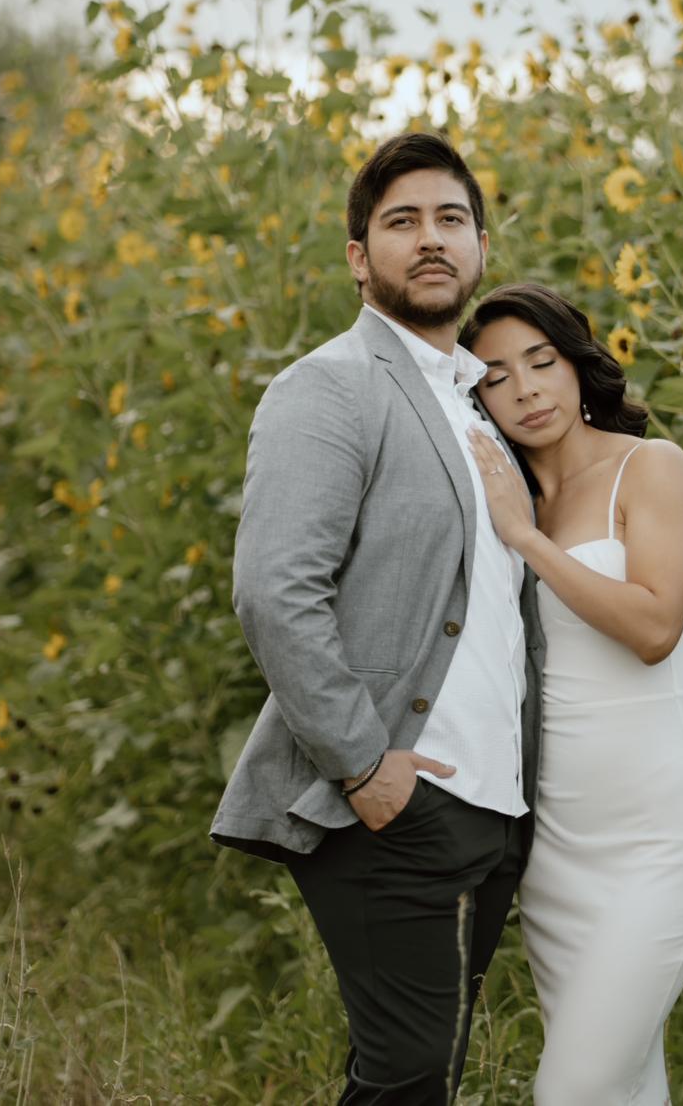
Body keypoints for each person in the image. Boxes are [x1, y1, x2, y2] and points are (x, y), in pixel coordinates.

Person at [210, 131, 546, 1104]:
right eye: (403, 222)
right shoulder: (329, 386)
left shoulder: (482, 407)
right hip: (391, 801)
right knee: (408, 1075)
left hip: (494, 804)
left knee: (420, 1073)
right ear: (359, 258)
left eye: (451, 218)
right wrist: (363, 764)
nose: (430, 238)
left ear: (480, 247)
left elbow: (509, 592)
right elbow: (274, 590)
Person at [458, 282, 683, 1106]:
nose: (526, 389)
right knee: (625, 1089)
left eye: (542, 361)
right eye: (497, 376)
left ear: (578, 365)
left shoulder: (650, 467)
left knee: (572, 1090)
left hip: (661, 836)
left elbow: (653, 630)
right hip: (555, 854)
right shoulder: (501, 501)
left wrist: (525, 539)